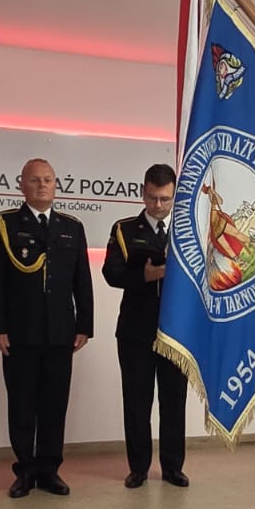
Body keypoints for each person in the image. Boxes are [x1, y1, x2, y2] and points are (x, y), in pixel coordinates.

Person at [0, 158, 93, 497]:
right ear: (21, 185)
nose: (42, 185)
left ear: (56, 185)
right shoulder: (4, 224)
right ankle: (25, 470)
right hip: (19, 333)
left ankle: (49, 470)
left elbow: (82, 280)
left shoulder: (71, 227)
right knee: (22, 404)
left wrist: (84, 325)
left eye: (47, 179)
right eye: (34, 180)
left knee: (54, 405)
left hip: (60, 333)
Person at [102, 163, 188, 489]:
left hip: (176, 332)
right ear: (142, 192)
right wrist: (144, 275)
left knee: (173, 402)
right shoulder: (124, 229)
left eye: (165, 199)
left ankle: (173, 467)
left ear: (174, 195)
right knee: (137, 402)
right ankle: (138, 467)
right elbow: (111, 273)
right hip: (135, 331)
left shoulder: (187, 229)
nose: (159, 205)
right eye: (152, 198)